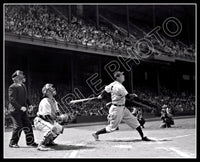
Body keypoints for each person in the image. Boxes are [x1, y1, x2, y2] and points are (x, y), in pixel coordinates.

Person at [92, 71, 151, 141]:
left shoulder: (113, 84)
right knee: (112, 128)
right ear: (118, 77)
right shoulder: (120, 87)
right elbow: (128, 97)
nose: (123, 76)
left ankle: (143, 137)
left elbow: (105, 90)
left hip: (122, 108)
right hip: (116, 109)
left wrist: (101, 95)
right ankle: (96, 133)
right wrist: (133, 95)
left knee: (134, 121)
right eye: (122, 75)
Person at [8, 70, 38, 148]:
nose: (22, 78)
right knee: (18, 126)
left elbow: (26, 97)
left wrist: (30, 104)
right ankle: (12, 143)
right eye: (19, 77)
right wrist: (20, 107)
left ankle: (30, 142)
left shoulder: (23, 86)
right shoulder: (12, 87)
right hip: (15, 110)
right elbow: (12, 100)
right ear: (15, 78)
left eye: (22, 76)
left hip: (22, 110)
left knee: (28, 125)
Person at [33, 83, 64, 151]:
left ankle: (49, 141)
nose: (53, 89)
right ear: (47, 92)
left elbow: (57, 112)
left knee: (60, 128)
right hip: (40, 121)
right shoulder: (45, 101)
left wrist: (61, 118)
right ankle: (41, 145)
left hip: (48, 120)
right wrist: (54, 124)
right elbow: (46, 116)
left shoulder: (54, 101)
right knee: (52, 130)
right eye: (51, 89)